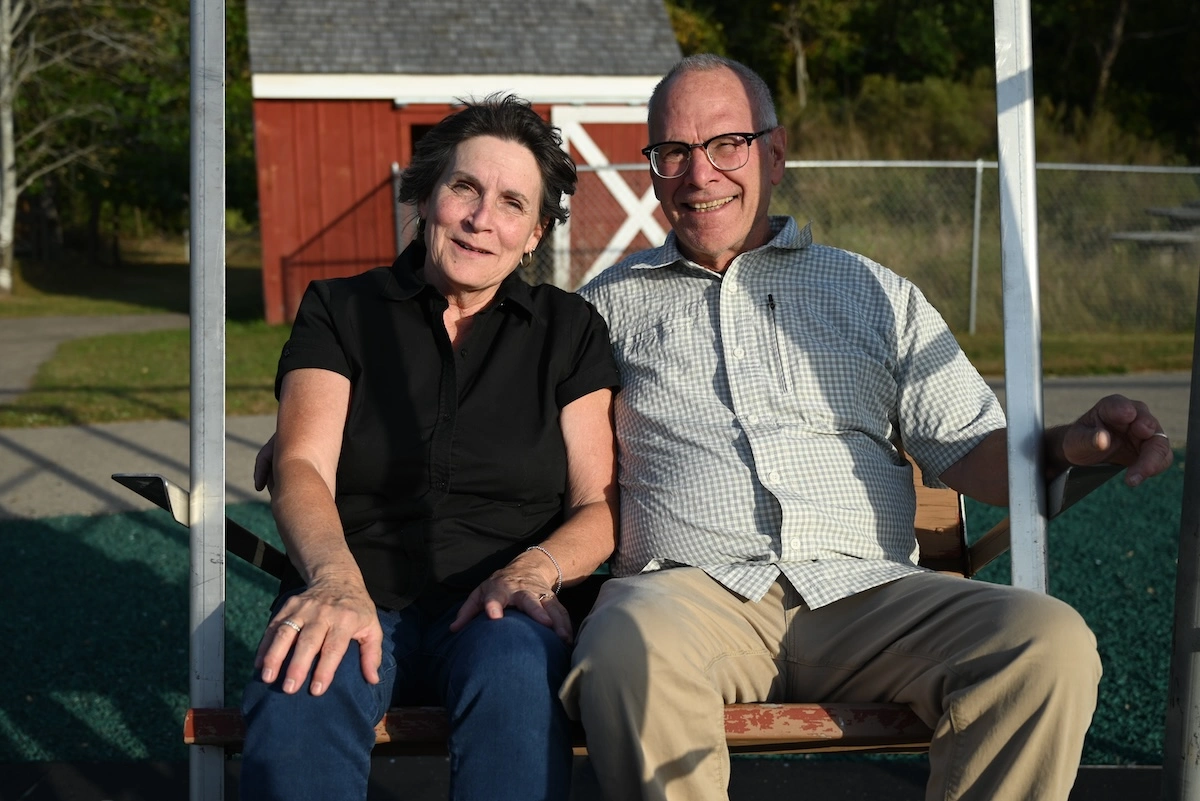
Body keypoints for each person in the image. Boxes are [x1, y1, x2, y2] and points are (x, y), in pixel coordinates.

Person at [557, 54, 1174, 801]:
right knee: (624, 645)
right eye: (673, 152)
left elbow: (974, 449)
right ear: (652, 169)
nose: (700, 174)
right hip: (691, 600)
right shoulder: (601, 312)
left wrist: (1072, 444)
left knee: (1049, 643)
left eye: (726, 144)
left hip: (869, 594)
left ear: (775, 153)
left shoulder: (872, 292)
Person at [239, 94, 620, 801]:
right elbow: (299, 464)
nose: (481, 220)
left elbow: (597, 502)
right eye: (465, 188)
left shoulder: (568, 331)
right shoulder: (341, 309)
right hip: (355, 579)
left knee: (515, 674)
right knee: (302, 683)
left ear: (536, 233)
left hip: (500, 601)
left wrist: (536, 570)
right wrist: (332, 579)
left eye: (512, 203)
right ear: (425, 195)